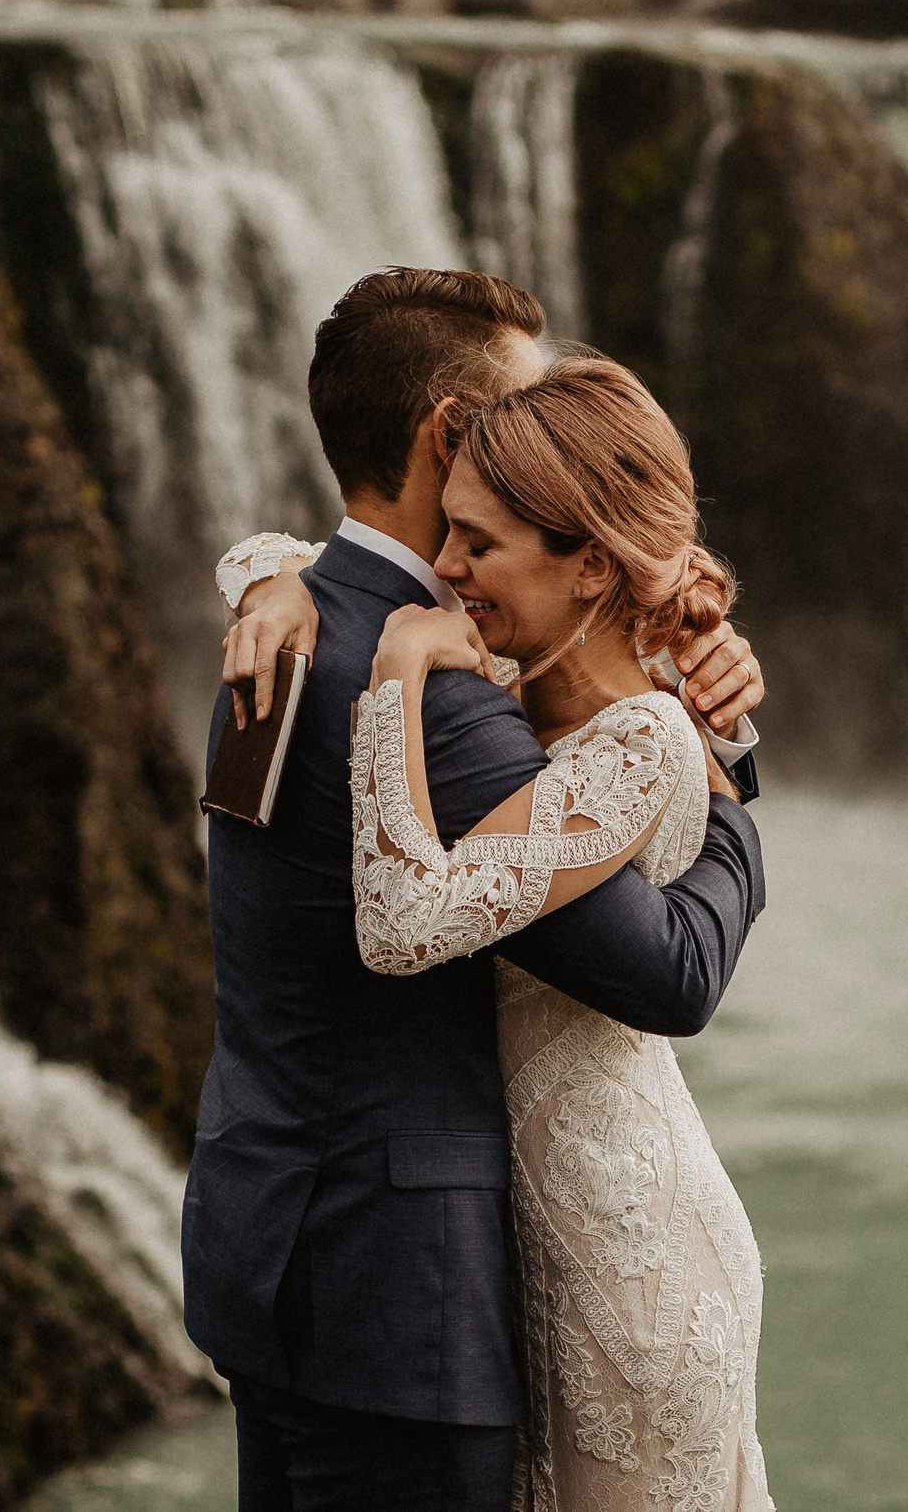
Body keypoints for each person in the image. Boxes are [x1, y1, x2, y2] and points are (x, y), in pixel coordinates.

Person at [186, 269, 767, 1512]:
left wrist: (263, 567)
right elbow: (669, 972)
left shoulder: (285, 629)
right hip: (395, 1301)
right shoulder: (438, 694)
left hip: (261, 1243)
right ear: (454, 435)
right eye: (519, 402)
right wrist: (726, 802)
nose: (540, 420)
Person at [349, 356, 772, 1511]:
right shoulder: (535, 681)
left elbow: (398, 924)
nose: (440, 569)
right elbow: (326, 560)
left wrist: (393, 678)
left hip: (631, 1259)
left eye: (475, 546)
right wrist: (270, 578)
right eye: (448, 532)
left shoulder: (636, 742)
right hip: (550, 1243)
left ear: (590, 563)